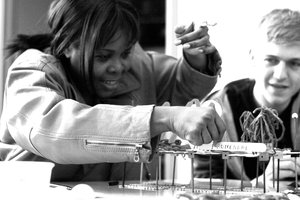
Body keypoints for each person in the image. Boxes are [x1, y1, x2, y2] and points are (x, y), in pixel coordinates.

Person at [0, 0, 224, 182]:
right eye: (103, 56)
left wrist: (196, 57)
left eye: (125, 52)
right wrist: (166, 117)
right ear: (68, 45)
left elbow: (182, 84)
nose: (118, 67)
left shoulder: (139, 67)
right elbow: (52, 128)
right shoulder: (31, 71)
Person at [194, 8, 300, 187]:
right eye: (271, 60)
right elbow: (202, 187)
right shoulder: (214, 110)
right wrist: (258, 187)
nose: (281, 74)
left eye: (295, 63)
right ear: (253, 58)